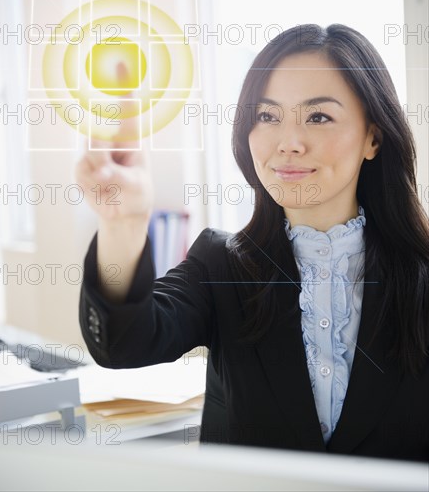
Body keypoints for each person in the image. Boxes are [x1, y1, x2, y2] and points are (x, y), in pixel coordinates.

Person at [76, 24, 429, 462]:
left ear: (373, 138)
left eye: (318, 117)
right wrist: (124, 223)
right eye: (267, 116)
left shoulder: (420, 275)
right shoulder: (220, 265)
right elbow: (122, 342)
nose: (289, 143)